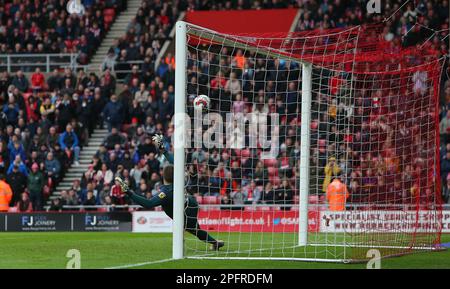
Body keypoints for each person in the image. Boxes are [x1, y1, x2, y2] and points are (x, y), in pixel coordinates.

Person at [116, 134, 224, 251]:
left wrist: (129, 192)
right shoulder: (180, 180)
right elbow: (177, 164)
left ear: (163, 176)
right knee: (195, 230)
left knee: (190, 228)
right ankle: (215, 242)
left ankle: (181, 243)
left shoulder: (166, 192)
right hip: (192, 204)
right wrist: (164, 151)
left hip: (184, 211)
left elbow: (148, 204)